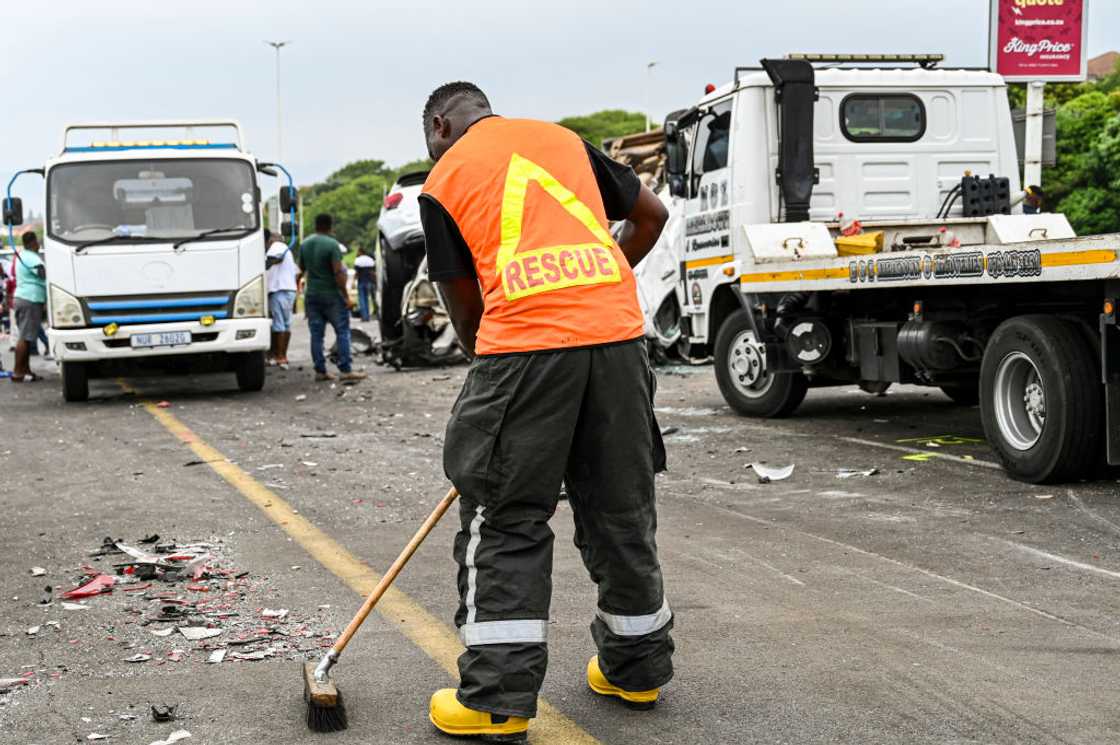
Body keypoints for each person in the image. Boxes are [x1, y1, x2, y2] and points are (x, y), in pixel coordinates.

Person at [418, 82, 673, 741]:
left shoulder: (445, 178)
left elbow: (468, 314)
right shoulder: (564, 141)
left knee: (504, 515)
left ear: (441, 124)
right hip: (619, 340)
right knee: (621, 507)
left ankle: (497, 700)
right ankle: (636, 668)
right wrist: (594, 284)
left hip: (524, 347)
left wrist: (502, 399)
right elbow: (652, 217)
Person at [297, 213, 366, 382]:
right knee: (342, 331)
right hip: (331, 295)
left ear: (316, 225)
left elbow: (300, 271)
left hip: (312, 295)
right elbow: (338, 272)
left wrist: (298, 292)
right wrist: (346, 296)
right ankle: (345, 369)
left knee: (316, 334)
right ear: (330, 226)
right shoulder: (332, 244)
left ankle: (320, 371)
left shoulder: (305, 244)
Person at [11, 232, 47, 382]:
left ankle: (26, 371)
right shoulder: (31, 257)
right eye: (37, 242)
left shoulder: (23, 255)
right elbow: (42, 273)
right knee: (25, 338)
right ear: (33, 242)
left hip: (23, 298)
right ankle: (18, 372)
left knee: (26, 337)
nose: (39, 245)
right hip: (30, 299)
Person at [265, 228, 300, 369]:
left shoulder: (277, 246)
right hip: (288, 289)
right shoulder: (288, 251)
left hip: (279, 290)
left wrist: (261, 264)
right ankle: (283, 356)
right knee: (285, 324)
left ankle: (279, 356)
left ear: (271, 239)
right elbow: (297, 272)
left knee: (278, 325)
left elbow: (275, 259)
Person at [352, 245, 377, 322]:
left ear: (360, 252)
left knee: (362, 299)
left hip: (361, 282)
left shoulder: (358, 260)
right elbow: (373, 272)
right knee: (369, 299)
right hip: (369, 282)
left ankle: (365, 317)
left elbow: (357, 273)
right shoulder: (370, 260)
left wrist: (353, 281)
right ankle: (370, 316)